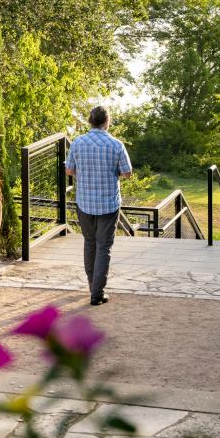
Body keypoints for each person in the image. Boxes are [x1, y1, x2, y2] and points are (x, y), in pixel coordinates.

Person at [65, 106, 132, 306]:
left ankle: (92, 285)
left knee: (89, 242)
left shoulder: (78, 143)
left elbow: (69, 170)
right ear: (107, 122)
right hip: (109, 203)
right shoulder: (116, 144)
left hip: (84, 201)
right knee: (104, 247)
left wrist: (84, 172)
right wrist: (112, 173)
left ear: (90, 121)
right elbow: (127, 173)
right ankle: (97, 292)